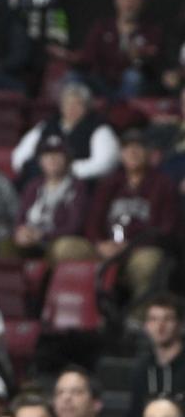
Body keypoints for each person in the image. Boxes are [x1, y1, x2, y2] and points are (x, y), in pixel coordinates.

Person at [84, 128, 181, 305]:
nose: (133, 153)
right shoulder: (110, 182)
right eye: (127, 148)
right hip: (108, 246)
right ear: (121, 154)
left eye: (138, 148)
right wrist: (100, 243)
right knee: (69, 249)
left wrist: (130, 246)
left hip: (141, 248)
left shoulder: (164, 183)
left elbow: (167, 229)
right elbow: (92, 220)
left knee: (147, 263)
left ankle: (139, 317)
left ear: (149, 153)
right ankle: (86, 313)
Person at [50, 0, 163, 99]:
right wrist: (69, 56)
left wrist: (140, 57)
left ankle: (122, 115)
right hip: (102, 83)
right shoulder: (102, 27)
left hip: (131, 86)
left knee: (133, 77)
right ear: (117, 0)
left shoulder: (152, 31)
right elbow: (88, 58)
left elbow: (157, 63)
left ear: (142, 2)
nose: (129, 3)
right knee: (73, 76)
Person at [12, 82, 119, 185]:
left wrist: (63, 170)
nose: (71, 108)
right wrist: (45, 168)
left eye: (77, 104)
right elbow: (20, 156)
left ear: (87, 107)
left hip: (80, 185)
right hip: (39, 181)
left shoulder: (100, 129)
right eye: (68, 103)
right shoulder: (47, 125)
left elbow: (105, 163)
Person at [13, 135, 90, 264]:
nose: (52, 159)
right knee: (4, 245)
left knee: (63, 248)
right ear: (40, 160)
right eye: (47, 155)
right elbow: (20, 217)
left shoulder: (77, 187)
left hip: (56, 240)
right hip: (31, 239)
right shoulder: (33, 185)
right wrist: (21, 231)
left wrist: (42, 235)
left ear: (67, 159)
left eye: (58, 154)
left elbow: (74, 226)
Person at [130, 294, 185, 417]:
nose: (160, 326)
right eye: (153, 319)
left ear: (180, 324)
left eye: (168, 319)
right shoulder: (142, 368)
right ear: (146, 326)